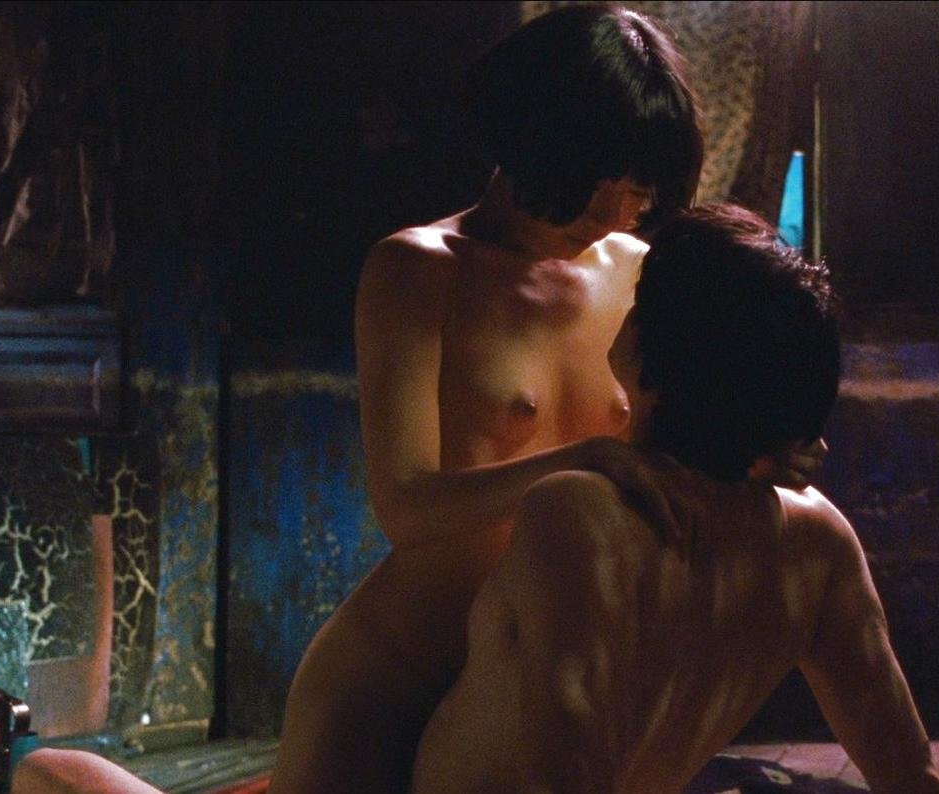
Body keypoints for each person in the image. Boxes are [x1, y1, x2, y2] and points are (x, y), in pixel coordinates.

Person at [270, 7, 820, 793]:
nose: (619, 213)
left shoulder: (643, 274)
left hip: (549, 680)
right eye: (603, 186)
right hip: (398, 677)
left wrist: (765, 453)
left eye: (639, 192)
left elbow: (693, 444)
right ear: (541, 144)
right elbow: (405, 506)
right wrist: (587, 459)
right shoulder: (419, 272)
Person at [411, 204, 939, 794]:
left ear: (648, 346)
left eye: (638, 299)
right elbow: (913, 778)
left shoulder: (581, 515)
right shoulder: (817, 539)